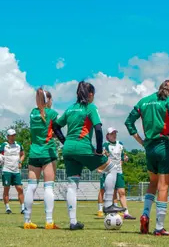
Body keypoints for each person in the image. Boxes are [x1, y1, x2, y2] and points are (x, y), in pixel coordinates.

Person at [53, 81, 125, 230]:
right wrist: (99, 150)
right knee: (111, 168)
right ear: (90, 94)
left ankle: (73, 222)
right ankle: (108, 204)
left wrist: (65, 142)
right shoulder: (90, 108)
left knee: (72, 184)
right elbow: (98, 129)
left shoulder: (70, 109)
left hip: (68, 149)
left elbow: (55, 126)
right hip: (83, 147)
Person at [125, 79, 169, 236]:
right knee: (163, 186)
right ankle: (159, 227)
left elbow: (129, 122)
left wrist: (141, 141)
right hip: (164, 146)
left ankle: (145, 214)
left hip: (149, 148)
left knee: (153, 183)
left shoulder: (144, 101)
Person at [23, 88, 64, 229]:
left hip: (34, 153)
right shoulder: (52, 113)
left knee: (31, 187)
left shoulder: (32, 113)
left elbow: (40, 130)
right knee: (48, 187)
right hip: (47, 152)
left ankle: (27, 221)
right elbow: (57, 131)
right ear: (49, 100)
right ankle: (49, 221)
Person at [97, 127, 136, 220]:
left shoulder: (120, 144)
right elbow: (101, 158)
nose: (114, 135)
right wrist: (100, 167)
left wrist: (125, 159)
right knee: (108, 192)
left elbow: (123, 157)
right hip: (109, 171)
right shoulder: (105, 145)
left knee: (122, 192)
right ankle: (107, 210)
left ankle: (126, 213)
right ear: (108, 136)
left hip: (119, 171)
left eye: (115, 133)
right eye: (112, 134)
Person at [1, 128, 25, 214]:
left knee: (20, 189)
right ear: (7, 136)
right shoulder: (4, 145)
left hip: (16, 170)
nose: (13, 137)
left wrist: (20, 161)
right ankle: (7, 208)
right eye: (11, 135)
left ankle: (22, 208)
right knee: (6, 189)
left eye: (14, 135)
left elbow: (22, 155)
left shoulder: (19, 145)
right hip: (6, 169)